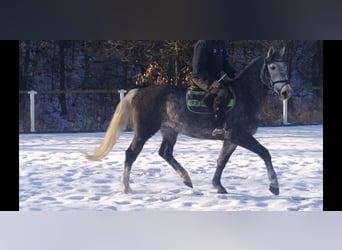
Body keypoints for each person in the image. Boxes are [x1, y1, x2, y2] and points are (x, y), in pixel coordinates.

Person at [191, 40, 237, 136]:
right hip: (200, 78)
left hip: (216, 78)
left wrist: (234, 73)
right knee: (222, 91)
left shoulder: (220, 43)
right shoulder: (203, 44)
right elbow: (198, 69)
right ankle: (217, 126)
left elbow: (224, 63)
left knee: (232, 88)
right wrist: (211, 81)